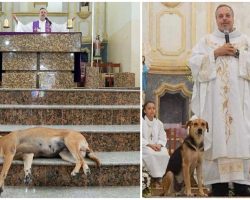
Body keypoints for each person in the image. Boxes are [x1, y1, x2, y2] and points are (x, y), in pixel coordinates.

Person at [189, 4, 250, 196]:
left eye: (227, 15)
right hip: (215, 103)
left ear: (233, 18)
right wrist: (216, 53)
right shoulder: (206, 41)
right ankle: (219, 184)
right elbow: (194, 63)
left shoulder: (244, 40)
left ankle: (241, 184)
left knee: (240, 136)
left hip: (239, 101)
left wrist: (237, 53)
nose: (224, 19)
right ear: (216, 19)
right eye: (220, 16)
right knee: (216, 137)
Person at [142, 101, 170, 187]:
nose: (152, 110)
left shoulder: (159, 123)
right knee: (150, 154)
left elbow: (163, 137)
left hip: (157, 146)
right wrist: (150, 145)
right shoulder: (141, 122)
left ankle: (161, 177)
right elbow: (140, 137)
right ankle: (153, 177)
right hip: (145, 146)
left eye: (153, 108)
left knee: (165, 154)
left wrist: (159, 145)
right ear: (144, 111)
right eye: (149, 108)